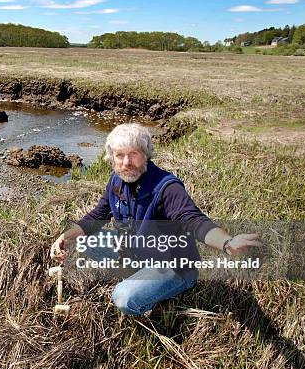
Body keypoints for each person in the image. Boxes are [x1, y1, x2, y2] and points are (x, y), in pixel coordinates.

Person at [50, 123, 261, 316]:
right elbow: (98, 215)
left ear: (146, 154)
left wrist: (226, 243)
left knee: (123, 297)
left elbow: (194, 220)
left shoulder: (167, 187)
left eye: (133, 154)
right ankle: (136, 274)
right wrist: (65, 236)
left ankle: (157, 303)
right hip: (137, 251)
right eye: (119, 155)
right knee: (81, 239)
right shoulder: (116, 180)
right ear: (111, 157)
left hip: (173, 266)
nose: (126, 163)